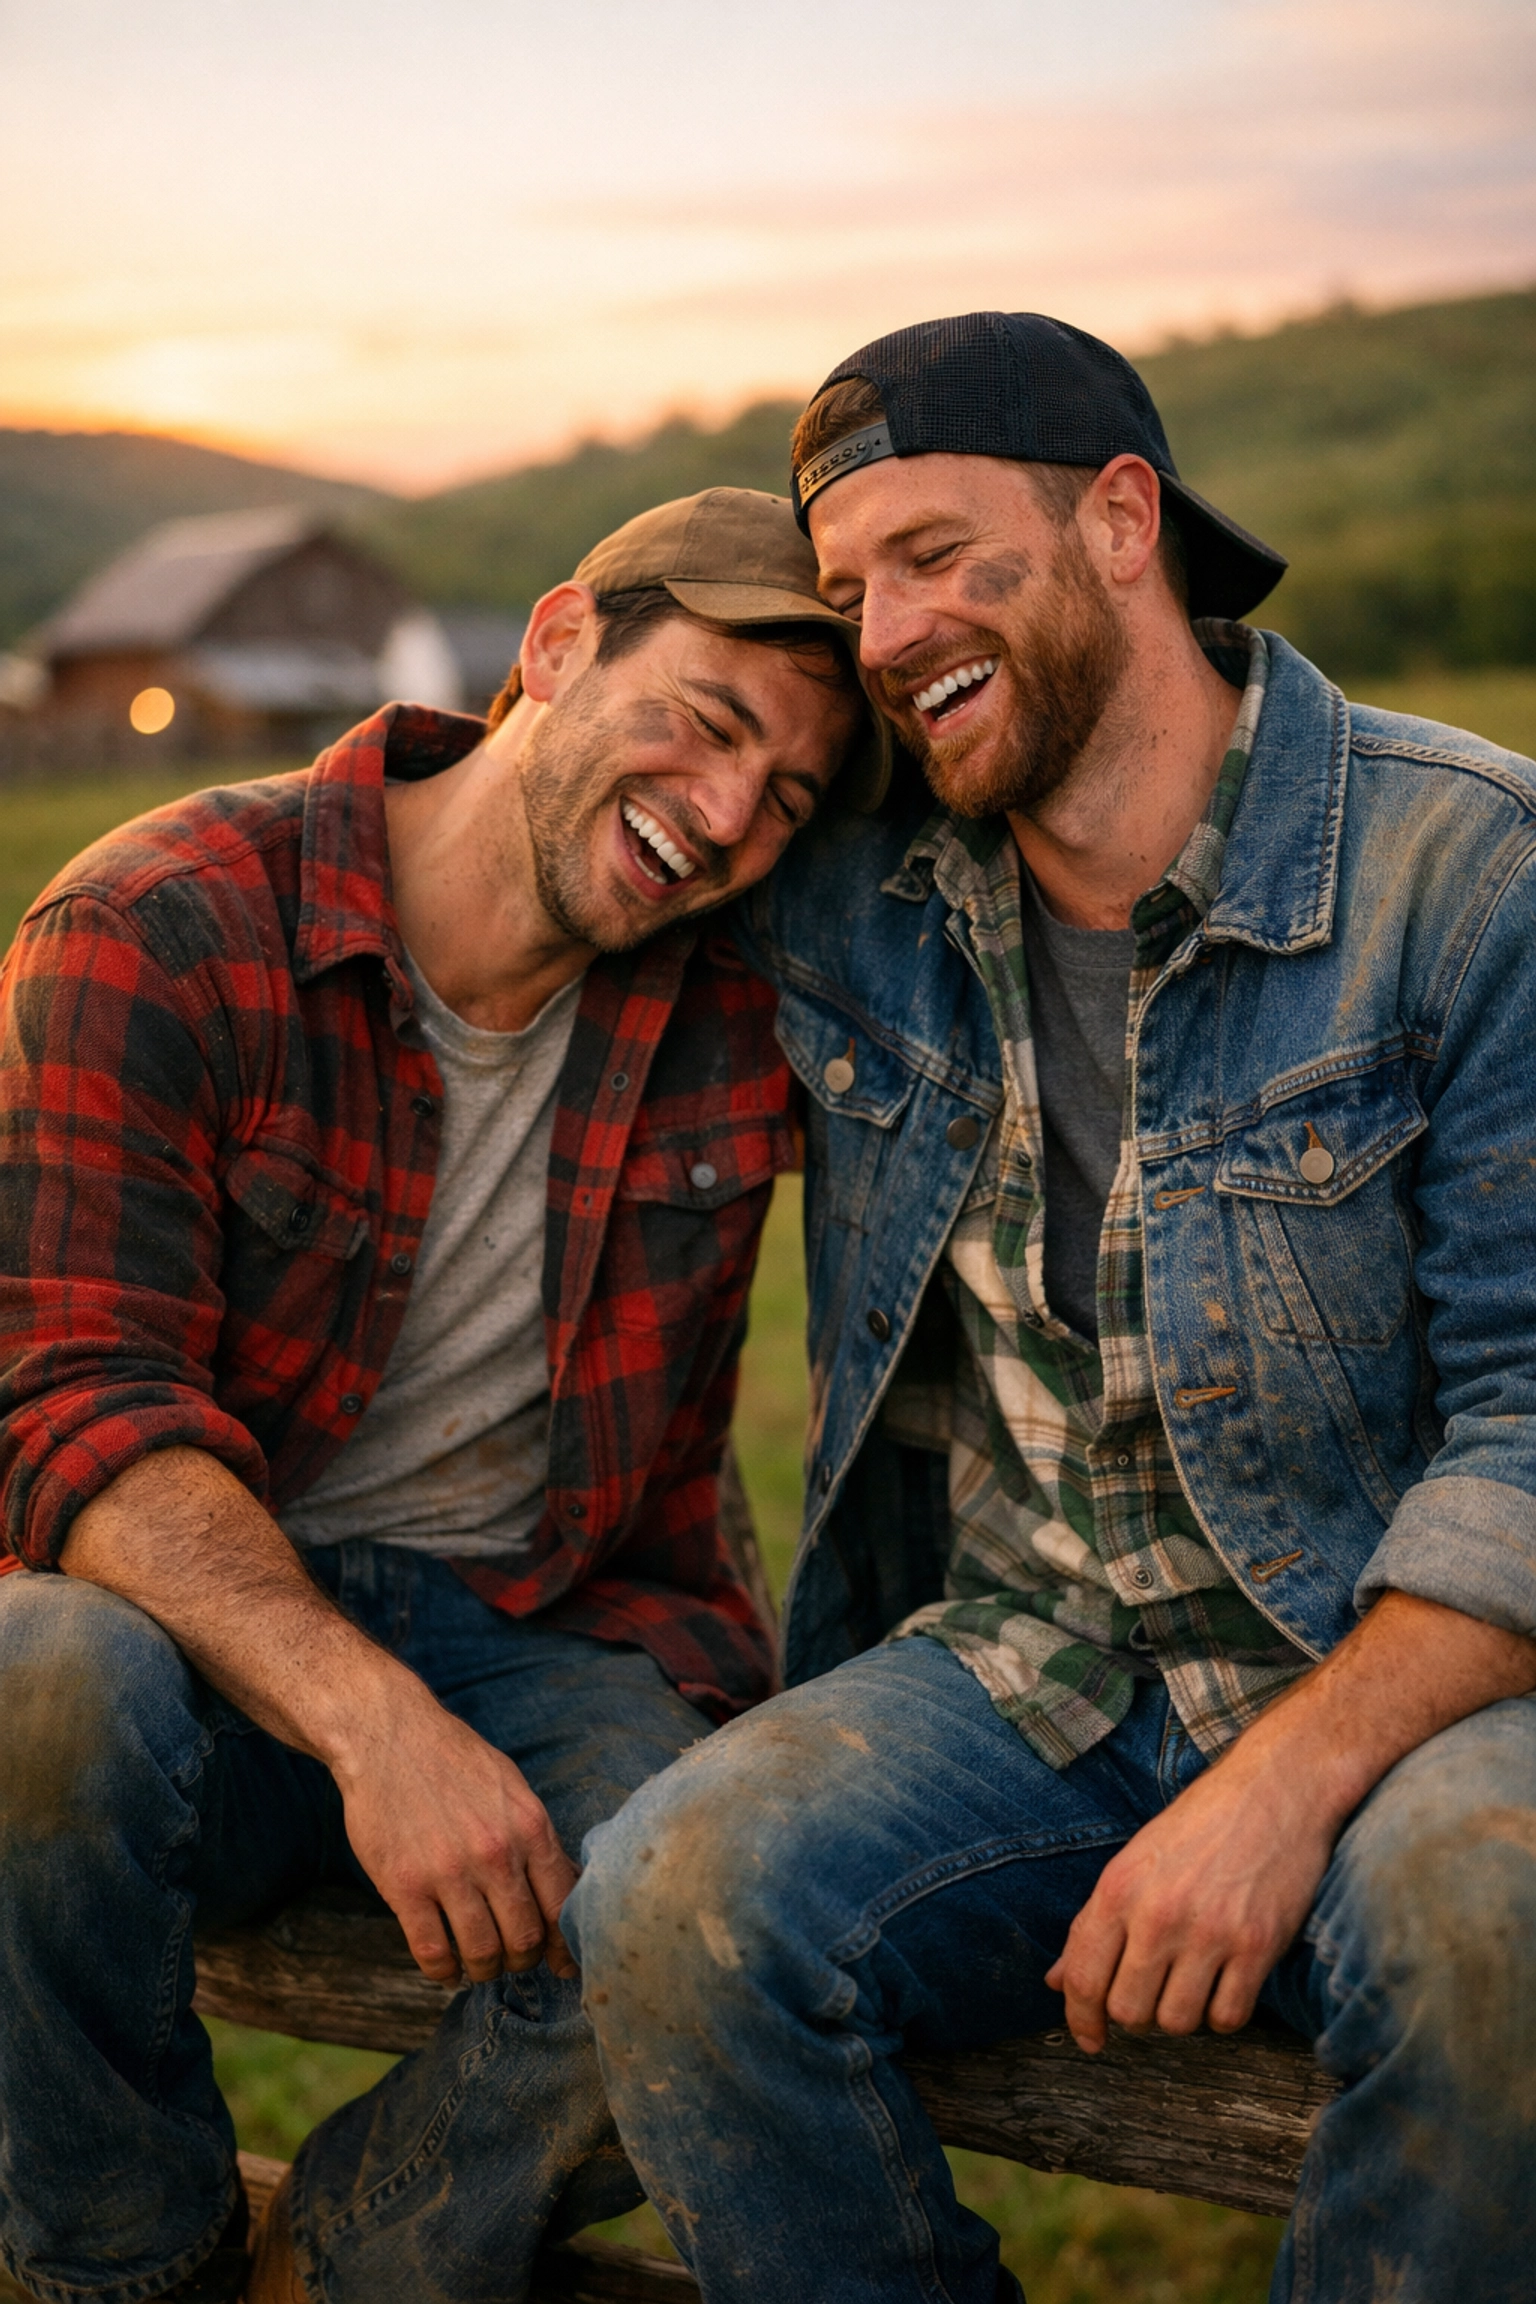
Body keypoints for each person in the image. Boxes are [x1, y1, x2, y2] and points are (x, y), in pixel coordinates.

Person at [568, 316, 1536, 2303]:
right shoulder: (861, 888)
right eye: (850, 593)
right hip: (1033, 1665)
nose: (893, 631)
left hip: (1393, 1667)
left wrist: (1285, 1782)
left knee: (1492, 1921)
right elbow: (580, 794)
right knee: (673, 1895)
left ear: (1121, 521)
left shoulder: (1466, 867)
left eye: (937, 554)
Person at [0, 488, 877, 2304]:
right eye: (706, 722)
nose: (724, 816)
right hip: (199, 1651)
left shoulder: (753, 986)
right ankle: (118, 2261)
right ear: (553, 646)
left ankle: (346, 2262)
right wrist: (369, 1720)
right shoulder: (158, 923)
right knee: (30, 1683)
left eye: (785, 795)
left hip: (551, 1630)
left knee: (734, 1902)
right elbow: (67, 1399)